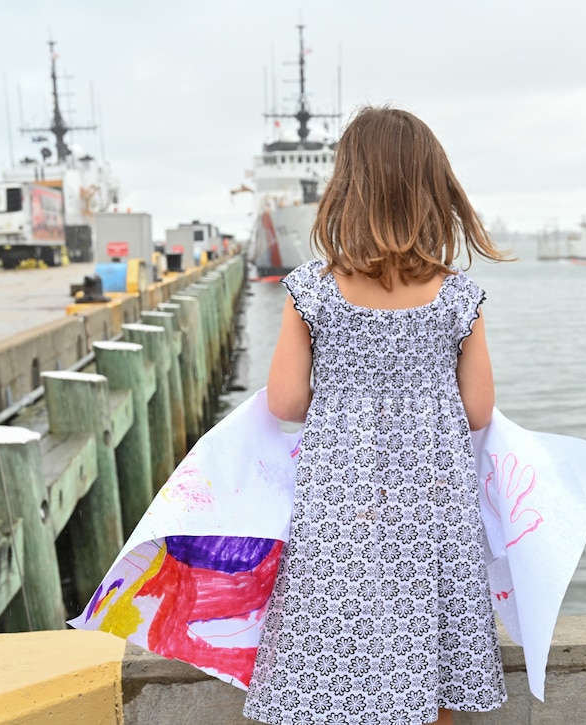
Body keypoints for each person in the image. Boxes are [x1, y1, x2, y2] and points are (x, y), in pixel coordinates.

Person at [243, 106, 511, 725]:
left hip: (340, 508)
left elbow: (283, 402)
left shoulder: (310, 290)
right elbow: (478, 409)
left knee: (333, 655)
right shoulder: (457, 293)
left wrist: (345, 400)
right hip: (433, 511)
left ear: (347, 191)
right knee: (433, 659)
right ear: (432, 193)